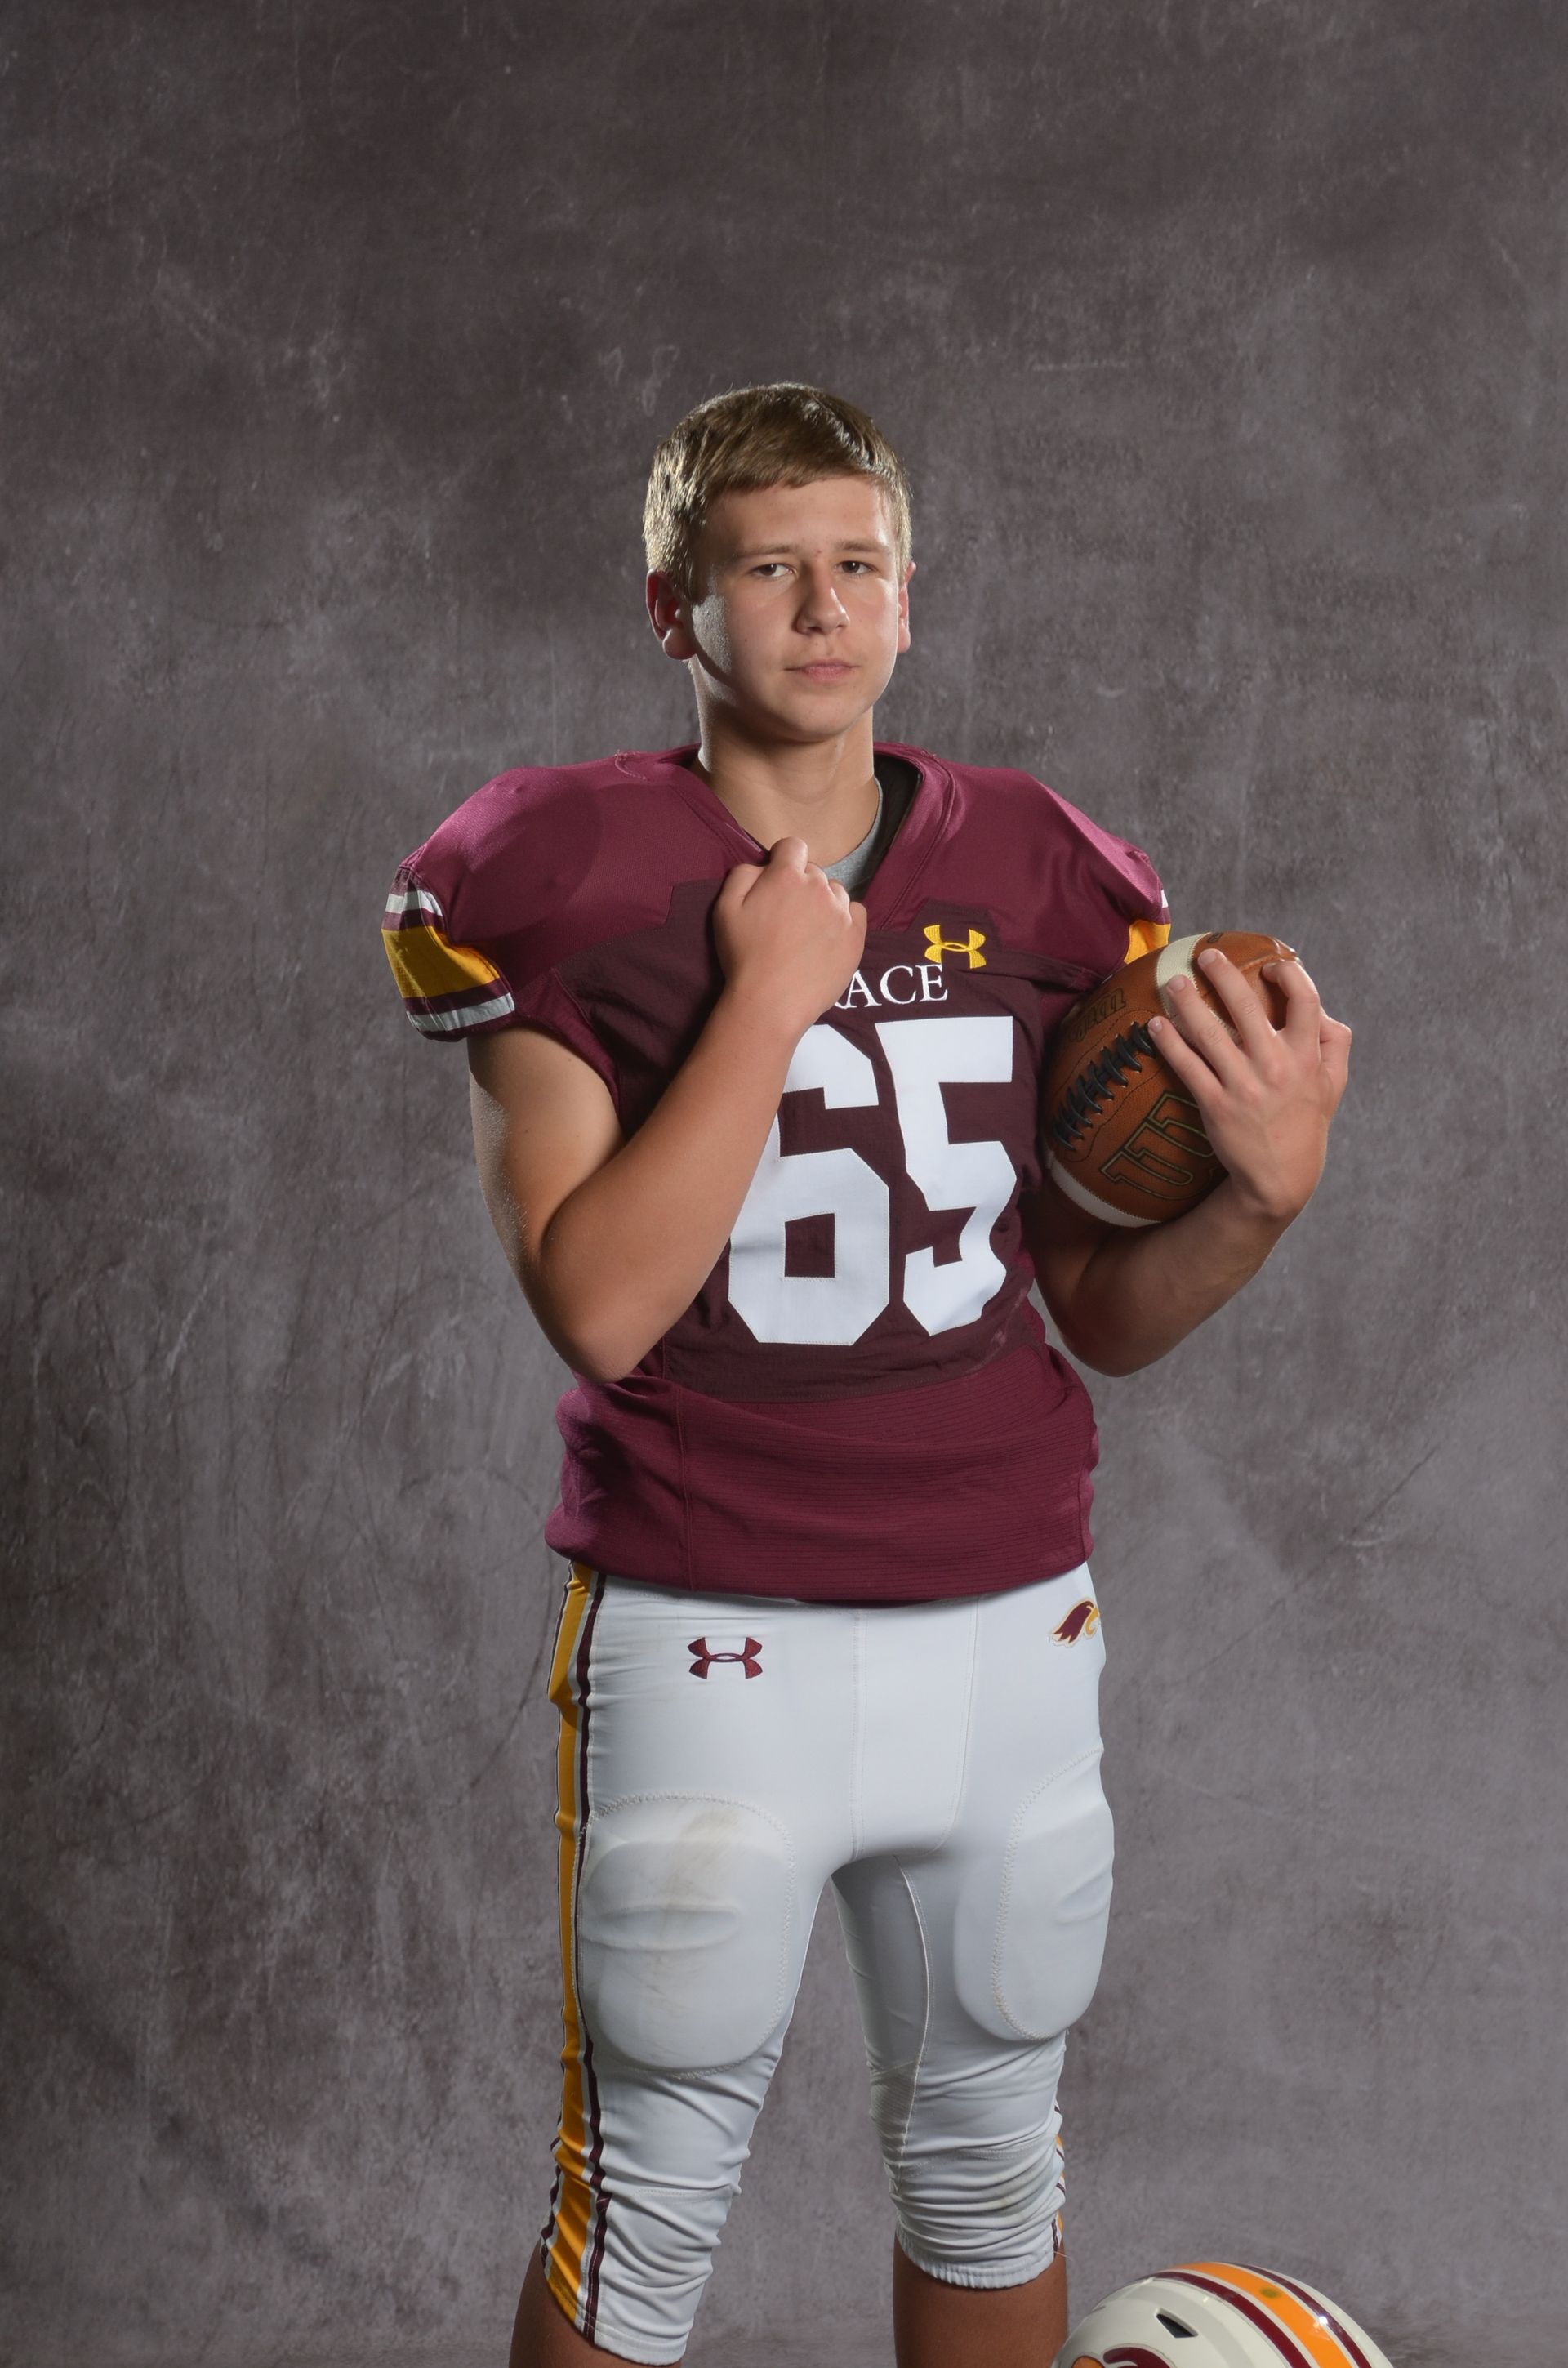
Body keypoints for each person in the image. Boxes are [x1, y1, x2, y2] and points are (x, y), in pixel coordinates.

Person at [381, 383, 1351, 2368]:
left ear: (909, 601)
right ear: (678, 608)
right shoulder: (562, 868)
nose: (820, 607)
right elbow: (597, 1301)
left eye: (859, 567)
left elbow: (1096, 1300)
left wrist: (1258, 1201)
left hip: (1012, 1619)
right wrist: (767, 1000)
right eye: (768, 568)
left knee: (994, 2156)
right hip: (713, 1625)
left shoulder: (1048, 865)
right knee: (648, 2197)